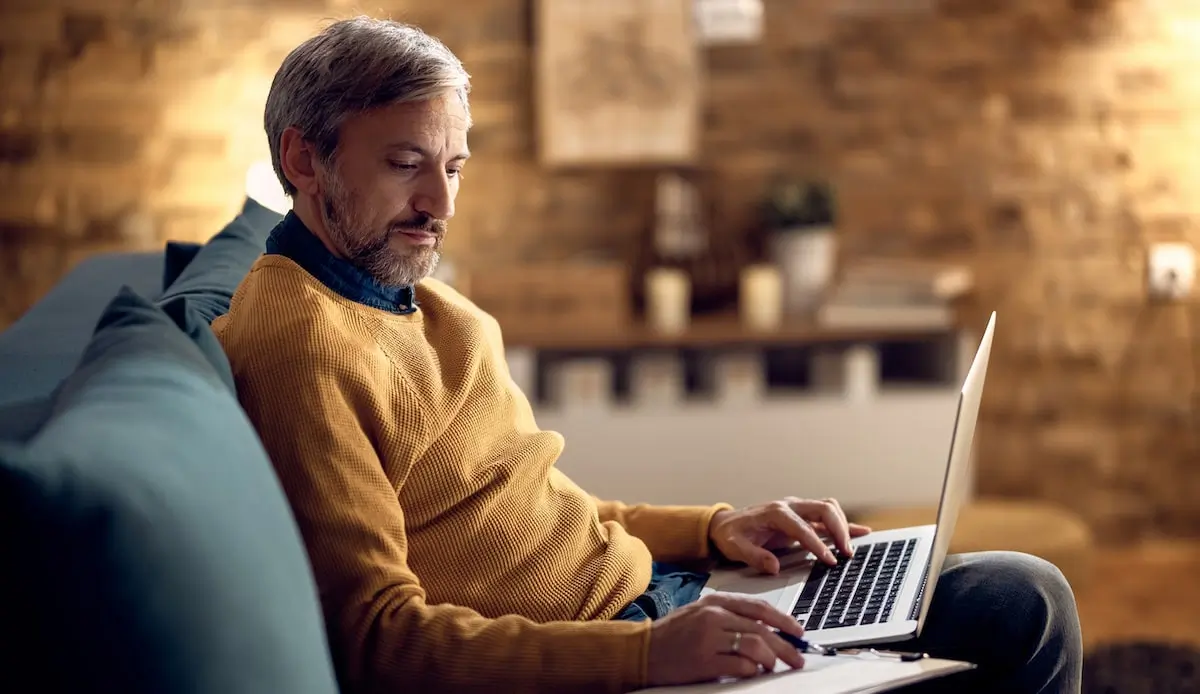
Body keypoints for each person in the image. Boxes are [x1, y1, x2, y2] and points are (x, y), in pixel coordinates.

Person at [212, 16, 1083, 694]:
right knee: (1020, 612)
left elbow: (540, 513)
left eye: (455, 167)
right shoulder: (302, 345)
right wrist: (648, 656)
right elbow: (376, 640)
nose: (440, 203)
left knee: (1010, 591)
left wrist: (715, 529)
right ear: (304, 159)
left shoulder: (420, 303)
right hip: (624, 658)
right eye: (407, 164)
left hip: (666, 601)